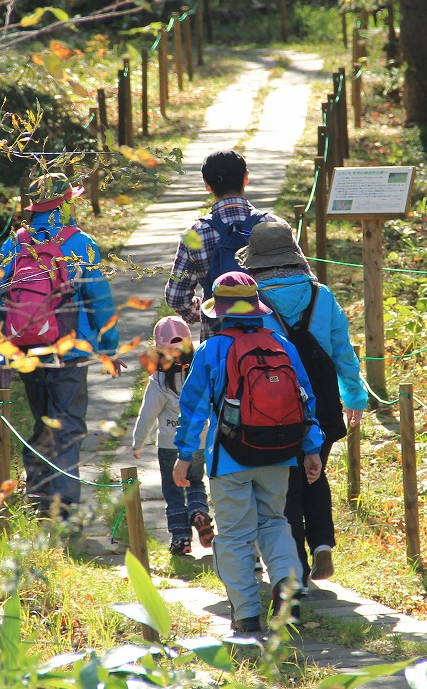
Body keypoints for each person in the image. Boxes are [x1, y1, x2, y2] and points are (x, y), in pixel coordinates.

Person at [173, 271, 325, 634]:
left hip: (230, 458)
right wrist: (311, 449)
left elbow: (193, 408)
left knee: (237, 534)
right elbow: (306, 400)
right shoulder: (282, 346)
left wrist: (184, 455)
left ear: (220, 311)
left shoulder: (213, 349)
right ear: (257, 309)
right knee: (274, 522)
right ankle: (288, 586)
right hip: (280, 453)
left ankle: (245, 614)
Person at [237, 221, 366, 584]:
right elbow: (342, 350)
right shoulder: (321, 295)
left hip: (272, 406)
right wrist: (353, 396)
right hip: (322, 402)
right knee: (315, 472)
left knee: (285, 485)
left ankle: (295, 567)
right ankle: (323, 544)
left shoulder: (252, 301)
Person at [0, 172, 123, 519]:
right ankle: (64, 510)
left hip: (27, 351)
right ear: (66, 203)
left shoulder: (16, 243)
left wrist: (1, 348)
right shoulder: (80, 243)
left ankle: (39, 502)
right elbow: (100, 300)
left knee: (42, 422)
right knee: (66, 427)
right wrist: (108, 348)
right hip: (71, 351)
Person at [165, 149, 290, 340]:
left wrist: (210, 309)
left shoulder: (195, 234)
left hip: (218, 341)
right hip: (274, 339)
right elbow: (301, 282)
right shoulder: (274, 225)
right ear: (246, 178)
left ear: (207, 185)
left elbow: (176, 297)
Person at [131, 315, 215, 556]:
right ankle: (199, 512)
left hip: (168, 445)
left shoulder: (158, 380)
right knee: (196, 481)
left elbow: (147, 414)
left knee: (173, 489)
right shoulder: (199, 374)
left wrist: (138, 442)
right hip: (199, 441)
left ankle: (181, 539)